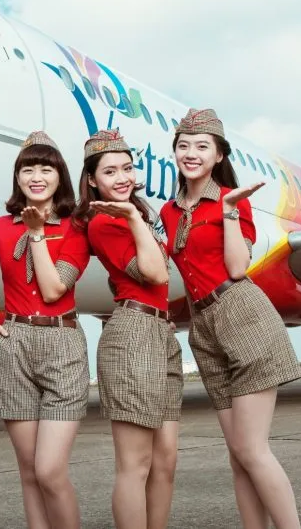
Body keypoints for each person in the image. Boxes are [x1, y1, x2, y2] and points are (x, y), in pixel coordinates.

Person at [160, 109, 301, 529]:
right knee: (237, 455)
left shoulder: (232, 201)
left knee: (253, 450)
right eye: (184, 145)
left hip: (243, 317)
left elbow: (238, 268)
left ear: (219, 154)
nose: (191, 153)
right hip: (203, 330)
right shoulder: (169, 211)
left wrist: (227, 211)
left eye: (202, 146)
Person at [0, 130, 92, 529]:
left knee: (50, 471)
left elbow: (55, 287)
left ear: (60, 176)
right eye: (28, 169)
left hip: (62, 342)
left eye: (46, 168)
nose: (36, 176)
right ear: (17, 176)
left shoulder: (77, 227)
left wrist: (37, 232)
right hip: (15, 344)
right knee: (27, 470)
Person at [72, 128, 183, 529]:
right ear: (92, 180)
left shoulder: (135, 216)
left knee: (166, 457)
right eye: (110, 171)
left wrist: (139, 217)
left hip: (161, 333)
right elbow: (155, 272)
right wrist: (136, 217)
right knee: (135, 464)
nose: (122, 178)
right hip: (132, 334)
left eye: (127, 168)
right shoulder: (105, 222)